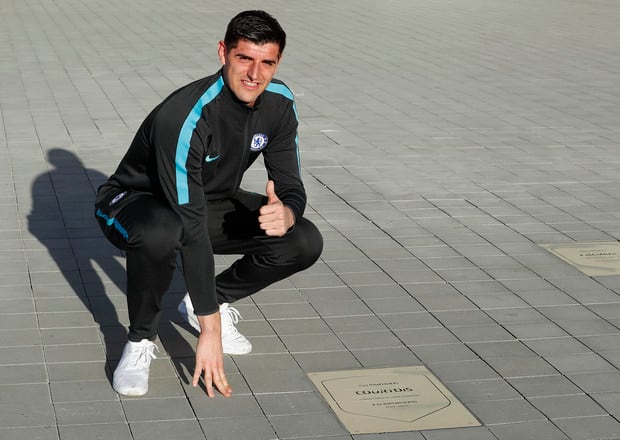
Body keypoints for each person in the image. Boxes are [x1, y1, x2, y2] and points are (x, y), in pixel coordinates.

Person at [94, 10, 323, 398]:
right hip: (136, 201)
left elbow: (289, 183)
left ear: (277, 62)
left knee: (302, 240)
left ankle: (210, 297)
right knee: (162, 232)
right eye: (244, 58)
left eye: (266, 62)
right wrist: (210, 330)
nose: (255, 73)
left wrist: (287, 211)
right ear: (223, 53)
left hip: (204, 200)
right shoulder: (186, 116)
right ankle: (139, 339)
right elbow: (192, 228)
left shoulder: (280, 103)